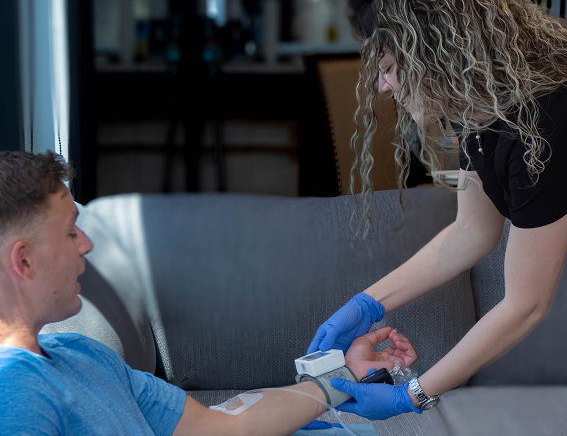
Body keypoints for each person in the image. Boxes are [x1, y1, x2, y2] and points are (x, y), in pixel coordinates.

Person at [308, 0, 567, 434]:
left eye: (388, 66)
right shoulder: (482, 107)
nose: (382, 87)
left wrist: (412, 395)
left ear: (432, 52)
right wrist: (365, 304)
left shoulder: (548, 117)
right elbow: (471, 231)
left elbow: (526, 305)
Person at [0, 150, 421, 435]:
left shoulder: (84, 356)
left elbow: (218, 426)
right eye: (71, 231)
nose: (86, 244)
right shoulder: (15, 394)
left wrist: (345, 376)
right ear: (23, 261)